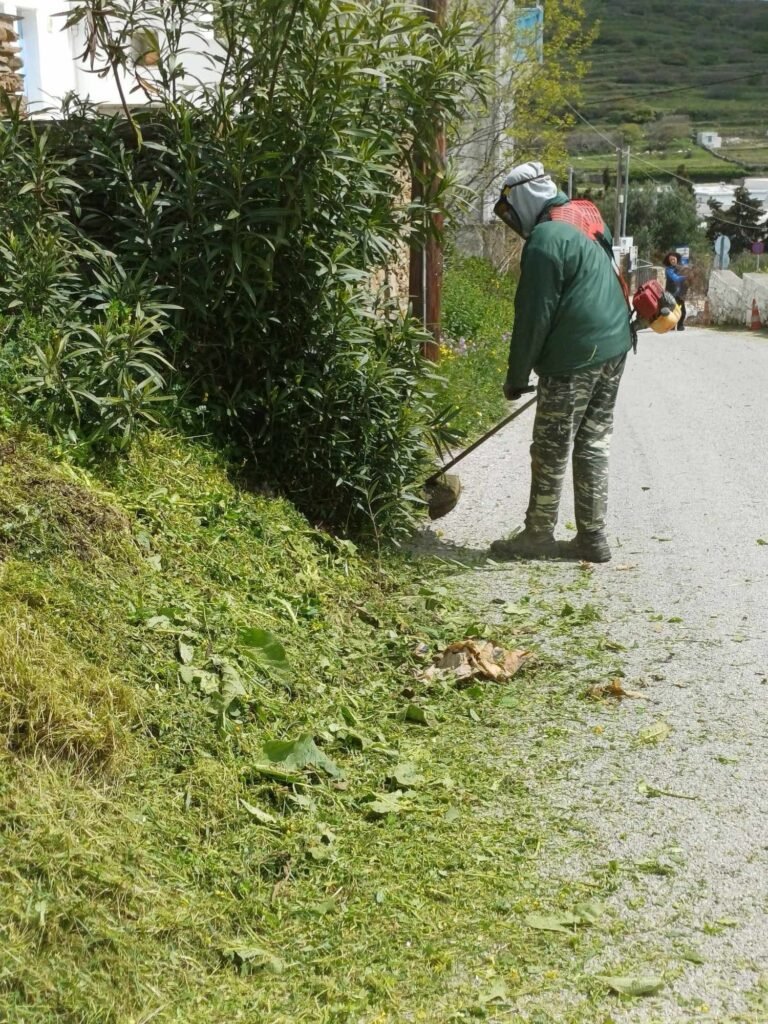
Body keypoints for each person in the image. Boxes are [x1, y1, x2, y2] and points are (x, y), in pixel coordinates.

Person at [489, 161, 634, 564]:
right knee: (592, 442)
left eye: (511, 210)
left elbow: (533, 315)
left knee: (551, 446)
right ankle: (592, 537)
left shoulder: (545, 239)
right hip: (615, 345)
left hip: (576, 354)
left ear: (522, 200)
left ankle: (537, 536)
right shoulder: (584, 216)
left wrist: (517, 376)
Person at [662, 251, 687, 331]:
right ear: (669, 261)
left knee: (682, 310)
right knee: (672, 310)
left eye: (674, 259)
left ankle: (680, 325)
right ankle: (671, 326)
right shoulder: (668, 270)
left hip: (680, 293)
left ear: (677, 259)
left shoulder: (681, 268)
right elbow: (675, 278)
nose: (673, 261)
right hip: (671, 294)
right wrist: (687, 277)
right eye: (671, 260)